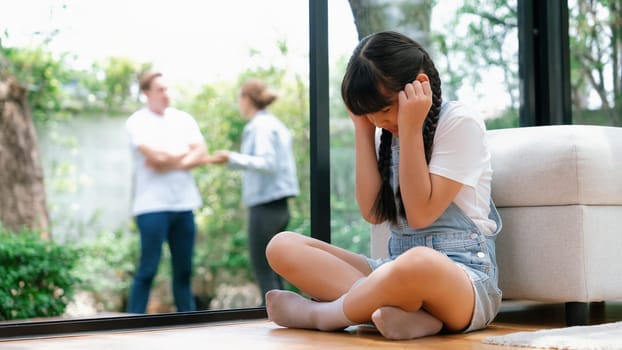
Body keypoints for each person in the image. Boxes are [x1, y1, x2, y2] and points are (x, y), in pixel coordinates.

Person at [263, 31, 502, 340]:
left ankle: (323, 315)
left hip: (465, 281)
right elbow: (373, 213)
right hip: (395, 271)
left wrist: (411, 128)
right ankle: (411, 318)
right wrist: (362, 131)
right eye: (369, 113)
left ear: (418, 85)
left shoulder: (458, 122)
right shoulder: (381, 132)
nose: (377, 121)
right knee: (282, 246)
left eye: (384, 109)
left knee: (418, 262)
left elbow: (419, 215)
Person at [209, 79, 300, 305]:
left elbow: (268, 163)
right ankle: (287, 321)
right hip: (280, 207)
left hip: (265, 207)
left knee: (264, 269)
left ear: (247, 99)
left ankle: (272, 322)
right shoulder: (275, 124)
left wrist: (231, 158)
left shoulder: (259, 126)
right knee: (276, 269)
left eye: (239, 99)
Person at [125, 71, 207, 313]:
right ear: (146, 92)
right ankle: (131, 324)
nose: (166, 94)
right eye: (160, 89)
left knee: (184, 271)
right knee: (147, 269)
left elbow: (201, 151)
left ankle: (188, 323)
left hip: (184, 205)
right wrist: (184, 154)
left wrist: (169, 160)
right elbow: (154, 158)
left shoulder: (184, 119)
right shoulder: (137, 121)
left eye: (168, 89)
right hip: (151, 207)